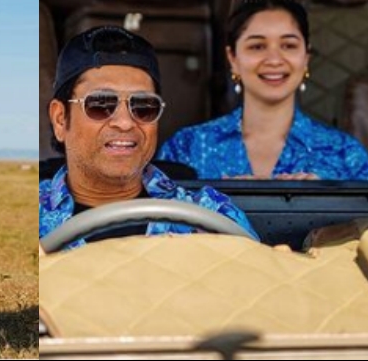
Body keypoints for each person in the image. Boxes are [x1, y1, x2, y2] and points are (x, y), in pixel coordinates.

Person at [40, 26, 259, 251]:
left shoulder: (210, 217)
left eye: (143, 106)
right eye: (100, 104)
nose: (125, 122)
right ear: (60, 119)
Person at [157, 0, 368, 180]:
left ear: (306, 58)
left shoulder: (346, 155)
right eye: (257, 46)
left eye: (289, 46)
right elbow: (159, 224)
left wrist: (323, 201)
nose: (273, 60)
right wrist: (219, 201)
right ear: (233, 58)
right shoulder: (185, 148)